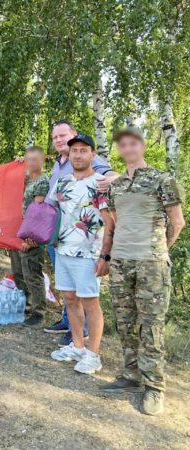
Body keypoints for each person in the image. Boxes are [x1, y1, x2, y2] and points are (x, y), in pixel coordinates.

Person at [101, 127, 185, 415]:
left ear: (143, 146)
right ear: (119, 149)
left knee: (151, 327)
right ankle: (131, 375)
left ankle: (154, 387)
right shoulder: (117, 185)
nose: (128, 148)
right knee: (124, 323)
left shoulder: (163, 179)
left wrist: (160, 250)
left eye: (133, 143)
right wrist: (109, 256)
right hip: (121, 263)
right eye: (123, 144)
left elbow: (177, 223)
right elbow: (112, 223)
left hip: (151, 263)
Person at [43, 120, 119, 346]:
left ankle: (90, 348)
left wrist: (105, 255)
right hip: (61, 243)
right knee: (69, 295)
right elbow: (50, 205)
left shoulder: (94, 172)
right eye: (55, 137)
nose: (58, 140)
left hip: (87, 250)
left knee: (88, 300)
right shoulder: (59, 168)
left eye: (63, 135)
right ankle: (73, 337)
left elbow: (110, 217)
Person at [9, 146, 50, 326]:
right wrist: (16, 165)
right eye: (28, 159)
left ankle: (38, 311)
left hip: (31, 236)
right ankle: (25, 304)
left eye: (35, 159)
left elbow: (37, 212)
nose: (31, 162)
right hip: (17, 232)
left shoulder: (42, 181)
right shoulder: (27, 178)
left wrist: (29, 239)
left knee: (32, 274)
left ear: (42, 161)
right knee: (19, 271)